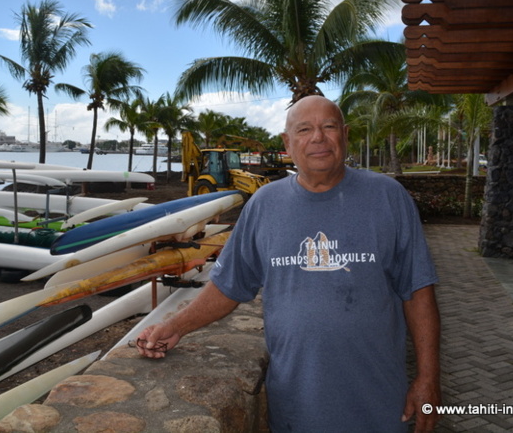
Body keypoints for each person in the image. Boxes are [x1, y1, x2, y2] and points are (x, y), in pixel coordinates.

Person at [136, 95, 441, 432]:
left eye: (329, 127)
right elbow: (228, 286)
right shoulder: (265, 204)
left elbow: (418, 292)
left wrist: (428, 378)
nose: (318, 138)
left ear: (345, 133)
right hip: (297, 407)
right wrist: (174, 327)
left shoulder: (388, 197)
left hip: (381, 402)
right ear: (287, 142)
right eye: (304, 129)